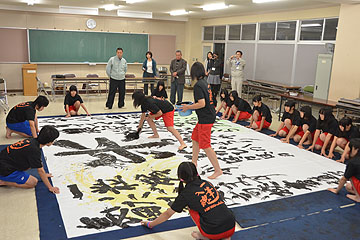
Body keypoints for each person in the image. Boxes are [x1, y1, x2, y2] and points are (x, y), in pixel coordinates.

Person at [141, 162, 235, 240]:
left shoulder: (185, 194)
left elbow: (167, 214)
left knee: (192, 209)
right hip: (231, 225)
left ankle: (205, 236)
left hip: (213, 232)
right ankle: (224, 236)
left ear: (181, 177)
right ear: (196, 173)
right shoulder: (207, 183)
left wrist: (150, 224)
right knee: (215, 206)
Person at [181, 62, 223, 179]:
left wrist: (187, 107)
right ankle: (194, 163)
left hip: (206, 118)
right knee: (195, 137)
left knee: (205, 145)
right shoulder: (205, 82)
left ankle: (218, 170)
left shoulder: (198, 85)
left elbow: (201, 103)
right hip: (206, 116)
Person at [0, 125, 60, 194]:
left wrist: (44, 174)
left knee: (36, 164)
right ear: (49, 142)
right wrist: (50, 187)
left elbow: (39, 165)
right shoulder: (35, 151)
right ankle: (3, 182)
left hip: (5, 159)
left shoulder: (32, 140)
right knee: (33, 182)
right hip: (4, 169)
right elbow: (40, 171)